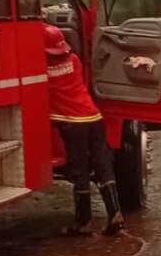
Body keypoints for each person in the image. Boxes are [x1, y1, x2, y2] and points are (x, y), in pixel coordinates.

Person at [44, 23, 124, 236]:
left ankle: (83, 222)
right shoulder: (74, 60)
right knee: (103, 165)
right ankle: (115, 213)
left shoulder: (42, 71)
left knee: (80, 169)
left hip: (73, 123)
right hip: (94, 117)